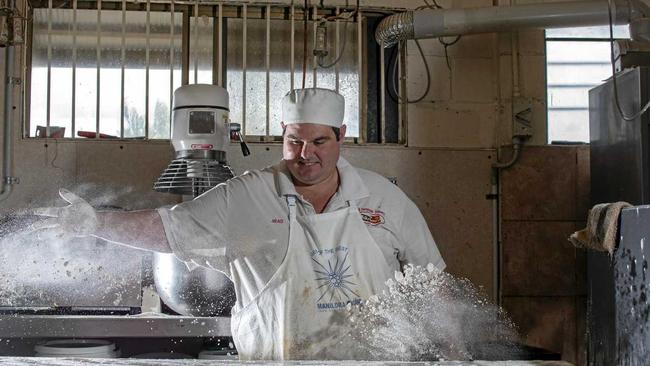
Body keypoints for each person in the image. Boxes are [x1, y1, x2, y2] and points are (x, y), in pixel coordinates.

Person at [34, 87, 445, 360]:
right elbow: (169, 229)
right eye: (294, 141)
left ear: (341, 135)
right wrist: (95, 223)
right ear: (282, 133)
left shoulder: (385, 199)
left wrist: (448, 344)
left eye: (319, 142)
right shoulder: (246, 195)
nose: (305, 155)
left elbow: (433, 281)